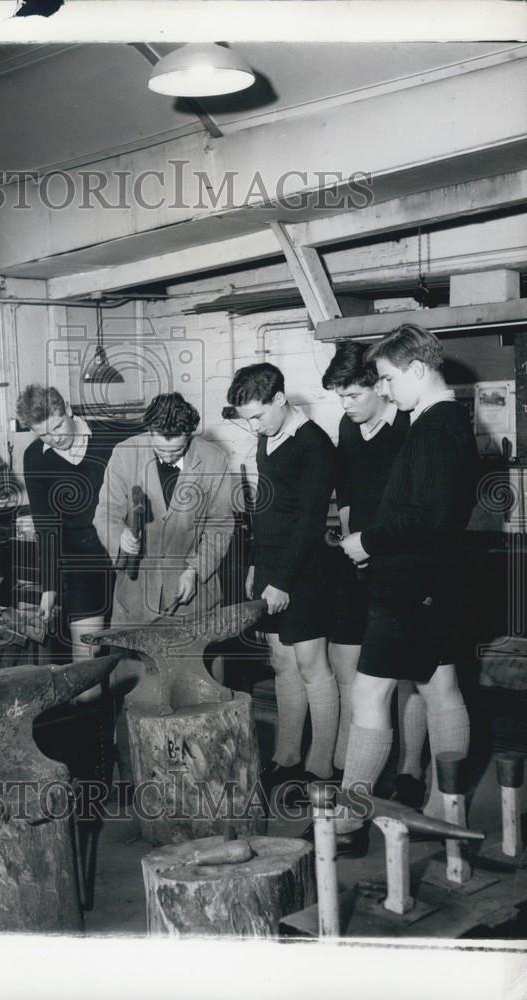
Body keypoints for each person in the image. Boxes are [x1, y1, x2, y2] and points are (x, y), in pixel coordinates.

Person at [334, 324, 478, 855]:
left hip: (411, 583)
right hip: (432, 582)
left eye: (390, 379)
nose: (387, 391)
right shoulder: (441, 419)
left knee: (370, 693)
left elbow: (430, 515)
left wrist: (369, 539)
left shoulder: (439, 424)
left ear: (417, 369)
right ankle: (448, 811)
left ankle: (348, 824)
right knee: (442, 689)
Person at [322, 341, 428, 807]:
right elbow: (346, 485)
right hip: (355, 557)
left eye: (352, 396)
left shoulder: (409, 426)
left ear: (381, 387)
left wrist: (375, 546)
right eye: (340, 398)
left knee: (407, 673)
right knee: (350, 667)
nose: (345, 407)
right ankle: (355, 769)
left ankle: (409, 771)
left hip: (400, 562)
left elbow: (418, 510)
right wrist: (351, 536)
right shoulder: (349, 426)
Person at [225, 363, 338, 790]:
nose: (253, 426)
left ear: (279, 399)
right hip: (273, 566)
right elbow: (266, 511)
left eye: (258, 415)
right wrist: (257, 563)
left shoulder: (315, 446)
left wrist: (284, 581)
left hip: (304, 569)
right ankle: (287, 756)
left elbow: (308, 524)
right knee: (282, 663)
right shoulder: (268, 439)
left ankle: (321, 767)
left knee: (312, 666)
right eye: (246, 418)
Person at [94, 392, 233, 626]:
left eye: (176, 452)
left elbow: (220, 525)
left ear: (188, 435)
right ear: (149, 431)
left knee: (190, 662)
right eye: (160, 450)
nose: (168, 457)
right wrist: (120, 536)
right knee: (136, 662)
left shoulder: (213, 459)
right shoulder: (124, 453)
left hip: (193, 594)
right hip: (136, 596)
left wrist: (195, 570)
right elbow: (106, 512)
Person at [16, 385, 118, 665]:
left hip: (126, 553)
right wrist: (49, 587)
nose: (55, 437)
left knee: (133, 650)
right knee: (87, 657)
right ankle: (92, 708)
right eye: (43, 433)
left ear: (69, 410)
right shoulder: (35, 457)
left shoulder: (112, 436)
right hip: (79, 561)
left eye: (58, 426)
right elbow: (46, 526)